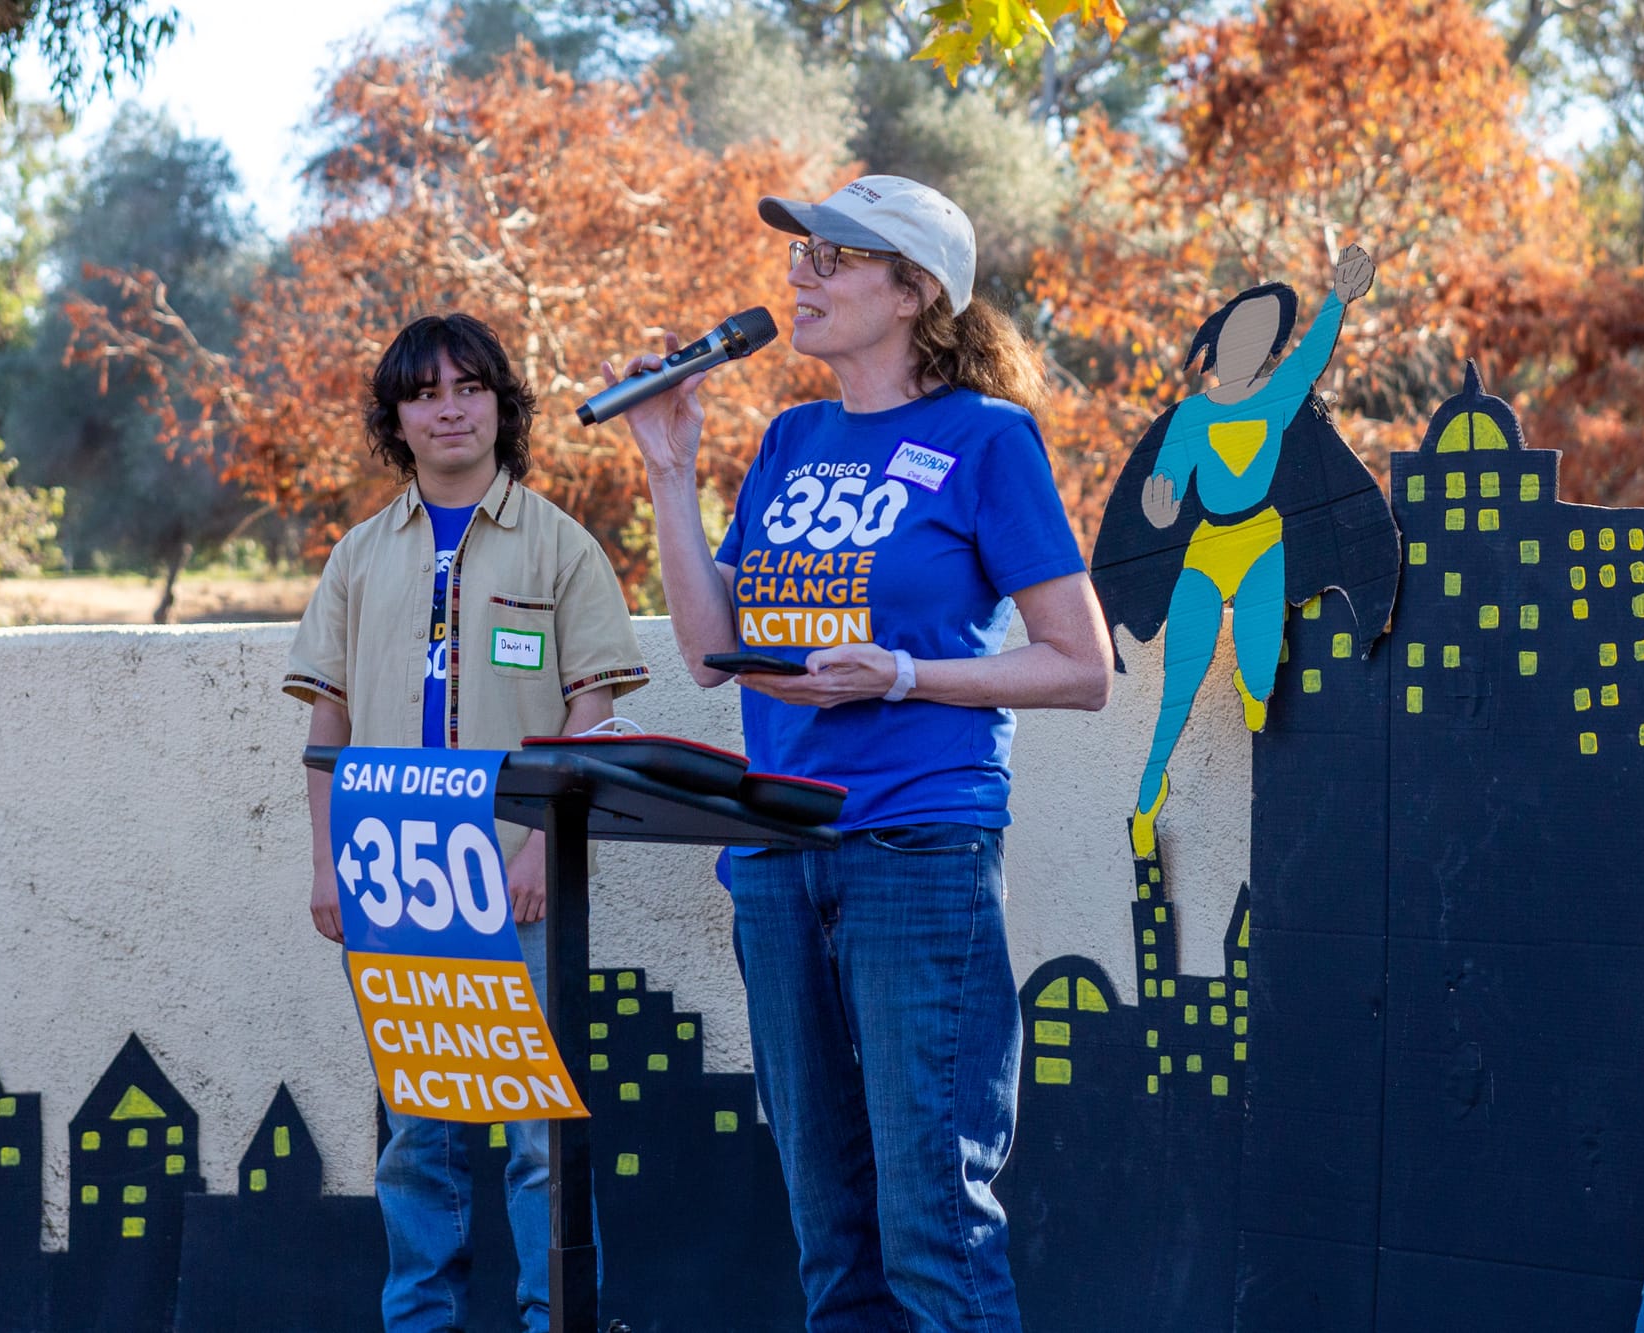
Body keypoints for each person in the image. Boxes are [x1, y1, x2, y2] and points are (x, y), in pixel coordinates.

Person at [608, 175, 1113, 1332]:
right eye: (799, 257)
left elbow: (1078, 665)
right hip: (776, 854)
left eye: (834, 259)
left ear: (915, 290)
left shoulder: (988, 440)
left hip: (913, 849)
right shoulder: (789, 440)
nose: (802, 276)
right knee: (829, 1233)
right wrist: (669, 468)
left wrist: (900, 673)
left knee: (933, 1221)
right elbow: (707, 650)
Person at [285, 313, 648, 1333]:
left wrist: (538, 841)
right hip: (395, 875)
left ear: (501, 404)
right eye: (424, 392)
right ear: (394, 419)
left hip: (517, 874)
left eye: (470, 387)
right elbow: (328, 723)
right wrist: (328, 864)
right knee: (419, 1129)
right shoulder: (358, 557)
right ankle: (422, 1321)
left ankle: (554, 1319)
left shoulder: (558, 544)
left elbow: (592, 708)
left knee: (538, 1130)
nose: (449, 408)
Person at [1099, 246, 1378, 859]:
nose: (1251, 343)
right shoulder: (1189, 417)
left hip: (1264, 542)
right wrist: (1158, 505)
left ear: (1273, 349)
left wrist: (1338, 299)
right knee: (1178, 689)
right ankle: (1151, 789)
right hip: (1206, 549)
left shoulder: (1278, 399)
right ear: (1216, 343)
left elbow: (1311, 359)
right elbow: (1163, 497)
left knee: (1255, 689)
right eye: (1241, 331)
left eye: (1265, 335)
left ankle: (1258, 669)